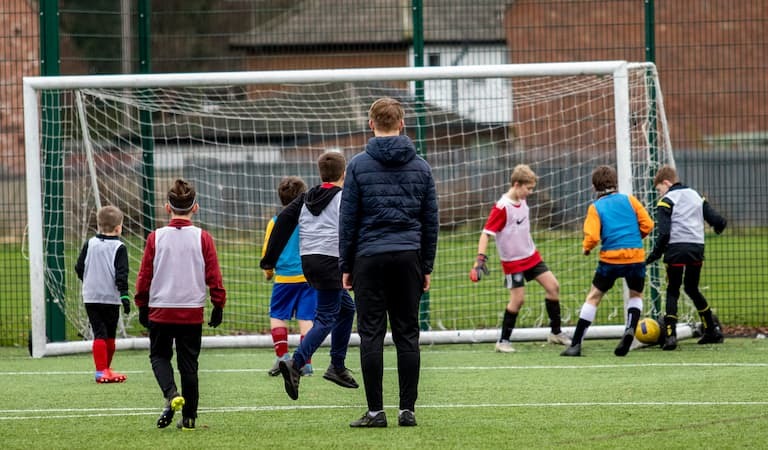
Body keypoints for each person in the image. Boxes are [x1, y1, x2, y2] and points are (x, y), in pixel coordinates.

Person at [339, 97, 439, 428]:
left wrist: (345, 265)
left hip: (368, 258)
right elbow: (430, 221)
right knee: (407, 333)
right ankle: (407, 410)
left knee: (371, 334)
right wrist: (426, 266)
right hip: (409, 257)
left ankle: (375, 412)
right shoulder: (421, 167)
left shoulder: (357, 165)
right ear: (402, 123)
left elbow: (348, 220)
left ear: (371, 124)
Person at [260, 151, 359, 401]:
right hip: (330, 262)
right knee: (325, 317)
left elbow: (282, 222)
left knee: (347, 310)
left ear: (320, 173)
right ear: (344, 173)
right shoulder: (344, 198)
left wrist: (269, 259)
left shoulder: (305, 198)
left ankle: (337, 365)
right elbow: (352, 231)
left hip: (310, 263)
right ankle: (296, 364)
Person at [134, 179, 226, 430]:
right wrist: (218, 305)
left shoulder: (155, 238)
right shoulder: (203, 238)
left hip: (161, 310)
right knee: (189, 365)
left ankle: (171, 393)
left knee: (159, 356)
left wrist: (142, 304)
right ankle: (189, 418)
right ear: (195, 207)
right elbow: (214, 275)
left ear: (167, 207)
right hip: (191, 312)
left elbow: (144, 276)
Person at [470, 164, 571, 353]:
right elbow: (486, 234)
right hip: (513, 262)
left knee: (553, 287)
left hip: (531, 256)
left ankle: (556, 333)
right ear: (517, 184)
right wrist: (480, 259)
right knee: (518, 300)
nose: (530, 192)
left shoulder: (522, 201)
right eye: (528, 188)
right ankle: (503, 341)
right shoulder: (502, 208)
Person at [561, 165, 654, 357]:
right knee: (636, 295)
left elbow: (593, 237)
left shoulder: (596, 207)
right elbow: (648, 224)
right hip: (636, 256)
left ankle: (576, 344)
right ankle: (630, 328)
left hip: (611, 258)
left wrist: (586, 248)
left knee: (594, 296)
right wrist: (634, 238)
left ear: (594, 187)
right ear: (615, 183)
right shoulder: (630, 200)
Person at [645, 165, 727, 349]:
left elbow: (664, 233)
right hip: (696, 248)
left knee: (673, 290)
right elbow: (717, 220)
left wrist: (654, 255)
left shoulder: (666, 201)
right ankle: (711, 330)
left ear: (666, 183)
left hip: (676, 249)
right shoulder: (696, 196)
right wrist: (719, 227)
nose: (659, 194)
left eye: (659, 189)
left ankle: (670, 335)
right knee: (692, 288)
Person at [261, 176, 317, 377]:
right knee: (306, 318)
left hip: (284, 279)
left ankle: (282, 357)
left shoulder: (275, 222)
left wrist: (268, 272)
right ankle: (305, 363)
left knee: (277, 316)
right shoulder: (310, 220)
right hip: (308, 278)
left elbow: (268, 249)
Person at [74, 205, 130, 384]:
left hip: (90, 296)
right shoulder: (119, 247)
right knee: (109, 334)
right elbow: (122, 274)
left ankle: (104, 369)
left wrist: (88, 281)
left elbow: (79, 267)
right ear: (118, 228)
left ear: (98, 225)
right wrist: (125, 296)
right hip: (110, 298)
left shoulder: (90, 243)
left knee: (99, 332)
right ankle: (101, 371)